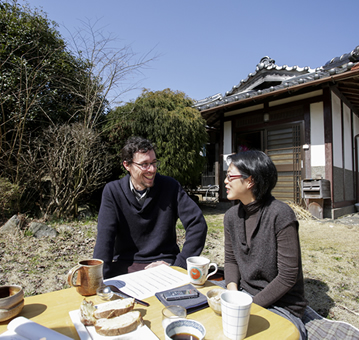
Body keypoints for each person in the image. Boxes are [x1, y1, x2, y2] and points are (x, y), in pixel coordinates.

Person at [93, 136, 208, 279]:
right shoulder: (113, 191)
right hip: (125, 266)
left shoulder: (170, 186)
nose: (152, 169)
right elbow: (105, 237)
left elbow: (197, 224)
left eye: (154, 163)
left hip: (165, 264)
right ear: (127, 165)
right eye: (144, 164)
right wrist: (99, 278)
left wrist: (179, 267)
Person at [224, 150, 307, 339]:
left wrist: (248, 306)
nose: (225, 181)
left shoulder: (281, 214)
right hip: (244, 295)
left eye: (230, 176)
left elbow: (287, 276)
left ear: (250, 181)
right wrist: (233, 295)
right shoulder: (230, 217)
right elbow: (230, 260)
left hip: (281, 304)